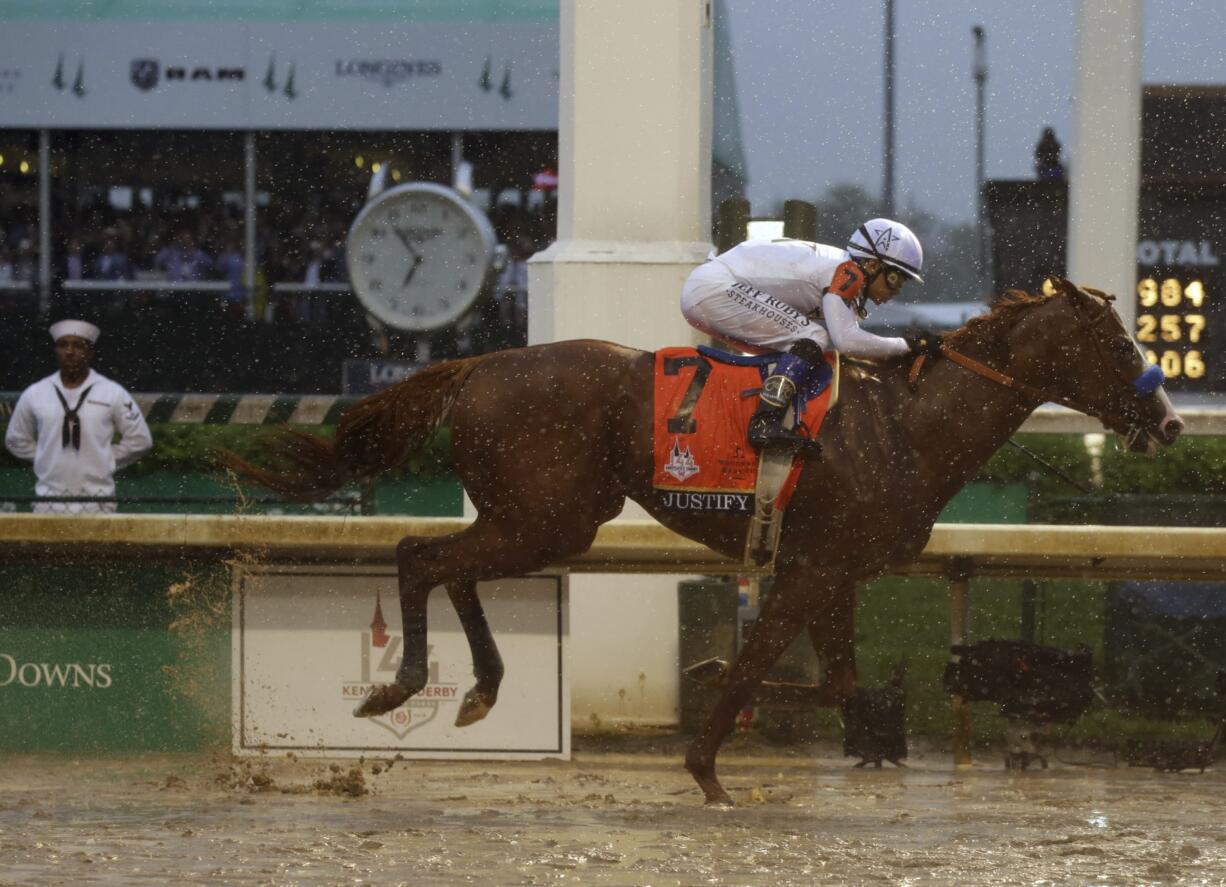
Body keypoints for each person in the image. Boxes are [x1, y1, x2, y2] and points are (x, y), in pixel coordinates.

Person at [680, 218, 941, 453]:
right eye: (896, 278)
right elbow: (847, 341)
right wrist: (908, 345)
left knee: (800, 348)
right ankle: (764, 422)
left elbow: (851, 340)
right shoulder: (847, 273)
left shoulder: (845, 269)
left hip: (709, 287)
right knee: (813, 336)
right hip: (713, 287)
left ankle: (761, 412)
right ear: (872, 264)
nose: (897, 290)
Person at [4, 319, 152, 513]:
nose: (70, 352)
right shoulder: (36, 393)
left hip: (98, 501)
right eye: (63, 345)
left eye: (78, 346)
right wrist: (46, 456)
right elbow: (16, 440)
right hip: (48, 501)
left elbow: (140, 440)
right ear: (56, 351)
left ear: (90, 353)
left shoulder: (112, 392)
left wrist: (104, 458)